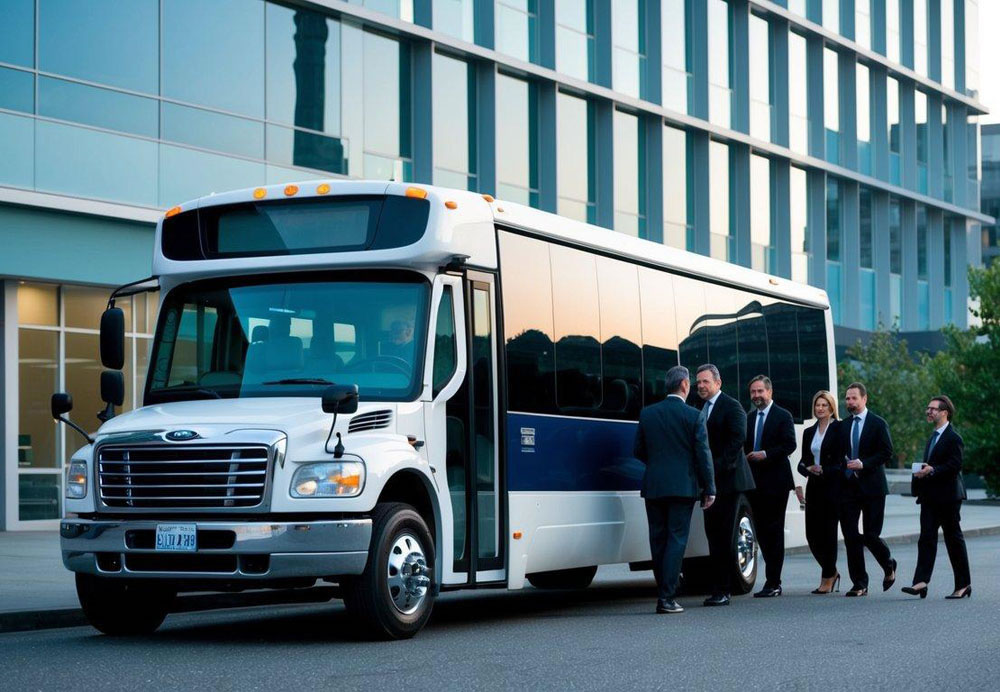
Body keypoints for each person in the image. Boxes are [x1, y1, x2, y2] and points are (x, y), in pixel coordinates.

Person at [634, 366, 716, 614]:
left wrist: (658, 466)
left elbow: (638, 450)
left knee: (658, 539)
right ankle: (667, 597)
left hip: (654, 485)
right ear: (684, 385)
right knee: (676, 540)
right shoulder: (694, 416)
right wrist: (709, 487)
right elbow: (703, 454)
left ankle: (664, 591)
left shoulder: (648, 413)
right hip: (683, 487)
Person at [902, 395, 972, 599]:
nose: (929, 411)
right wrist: (924, 471)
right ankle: (921, 581)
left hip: (949, 497)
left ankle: (963, 584)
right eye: (928, 408)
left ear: (945, 412)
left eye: (933, 409)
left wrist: (932, 470)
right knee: (926, 539)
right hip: (930, 497)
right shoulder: (933, 437)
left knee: (953, 539)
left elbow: (955, 465)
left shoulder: (954, 438)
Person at [695, 364, 754, 607]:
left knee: (725, 536)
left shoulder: (732, 406)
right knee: (713, 535)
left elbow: (737, 441)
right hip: (710, 483)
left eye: (705, 381)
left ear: (718, 383)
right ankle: (717, 587)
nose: (701, 386)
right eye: (698, 382)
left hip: (729, 483)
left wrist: (713, 469)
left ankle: (724, 589)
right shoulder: (699, 408)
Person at [839, 382, 896, 597]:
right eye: (847, 398)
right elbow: (837, 453)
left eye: (854, 398)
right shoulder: (843, 425)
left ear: (864, 399)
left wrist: (864, 464)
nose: (850, 402)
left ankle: (888, 563)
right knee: (850, 535)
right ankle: (859, 583)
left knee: (871, 535)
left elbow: (887, 452)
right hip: (849, 488)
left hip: (873, 487)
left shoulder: (878, 423)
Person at [743, 375, 797, 597]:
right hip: (754, 484)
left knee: (774, 532)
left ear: (770, 392)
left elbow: (790, 445)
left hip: (776, 483)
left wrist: (765, 454)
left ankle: (774, 582)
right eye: (753, 392)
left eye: (760, 391)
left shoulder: (783, 416)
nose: (756, 396)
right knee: (761, 532)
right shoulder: (748, 418)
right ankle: (771, 580)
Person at [797, 390, 843, 594]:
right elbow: (803, 461)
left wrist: (825, 469)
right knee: (812, 534)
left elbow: (842, 461)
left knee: (828, 533)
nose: (820, 408)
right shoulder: (809, 432)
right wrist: (808, 469)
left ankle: (827, 577)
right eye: (817, 405)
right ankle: (831, 570)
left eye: (824, 405)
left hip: (832, 486)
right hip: (814, 486)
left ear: (831, 408)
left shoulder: (839, 429)